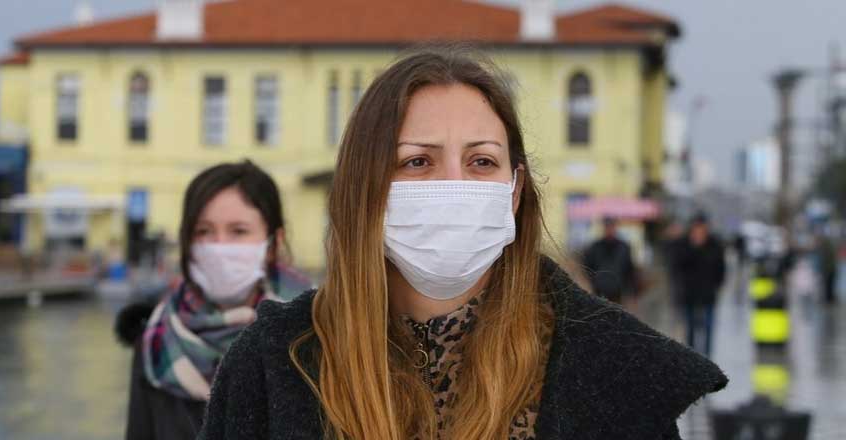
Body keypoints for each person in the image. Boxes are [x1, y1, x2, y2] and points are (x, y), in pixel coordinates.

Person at [200, 48, 726, 440]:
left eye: (481, 162)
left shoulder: (614, 373)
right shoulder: (272, 365)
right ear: (366, 190)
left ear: (514, 191)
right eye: (417, 161)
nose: (453, 185)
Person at [116, 160, 311, 440]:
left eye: (238, 231)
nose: (219, 246)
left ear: (273, 244)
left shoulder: (314, 335)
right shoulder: (155, 339)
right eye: (204, 231)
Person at [671, 213, 727, 357]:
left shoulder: (714, 244)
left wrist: (717, 285)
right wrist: (694, 247)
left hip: (708, 293)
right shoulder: (684, 244)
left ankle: (707, 359)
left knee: (708, 328)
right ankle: (692, 358)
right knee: (690, 329)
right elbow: (677, 265)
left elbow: (720, 267)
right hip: (689, 293)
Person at [581, 217, 637, 304]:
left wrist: (631, 291)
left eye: (611, 226)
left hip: (618, 289)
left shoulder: (623, 247)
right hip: (600, 289)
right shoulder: (595, 247)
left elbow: (629, 269)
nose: (610, 229)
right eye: (607, 227)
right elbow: (587, 265)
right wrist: (593, 281)